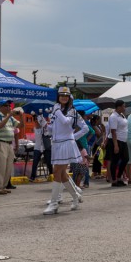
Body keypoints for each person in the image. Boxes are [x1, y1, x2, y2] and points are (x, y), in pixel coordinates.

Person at [43, 87, 89, 215]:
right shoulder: (56, 110)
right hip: (57, 144)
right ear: (58, 97)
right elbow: (51, 129)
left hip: (66, 144)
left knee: (57, 171)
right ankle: (75, 197)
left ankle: (54, 204)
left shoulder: (72, 111)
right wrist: (43, 123)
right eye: (61, 95)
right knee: (62, 174)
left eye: (66, 95)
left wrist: (72, 138)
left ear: (69, 98)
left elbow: (66, 123)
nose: (63, 97)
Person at [0, 100, 20, 195]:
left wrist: (21, 115)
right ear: (1, 107)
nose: (9, 108)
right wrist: (9, 115)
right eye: (6, 106)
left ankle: (3, 186)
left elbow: (21, 125)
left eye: (9, 106)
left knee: (8, 167)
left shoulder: (10, 118)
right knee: (1, 166)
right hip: (1, 143)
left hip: (9, 144)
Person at [107, 100, 129, 187]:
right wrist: (116, 145)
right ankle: (114, 180)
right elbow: (113, 131)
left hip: (123, 140)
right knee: (115, 160)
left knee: (126, 158)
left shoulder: (122, 115)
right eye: (123, 106)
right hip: (116, 140)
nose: (125, 108)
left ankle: (119, 177)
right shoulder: (113, 116)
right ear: (119, 107)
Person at [29, 110, 53, 182]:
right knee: (35, 162)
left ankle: (52, 174)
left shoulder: (47, 127)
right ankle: (32, 177)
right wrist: (35, 118)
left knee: (49, 162)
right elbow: (38, 128)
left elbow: (49, 134)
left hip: (47, 147)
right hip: (38, 147)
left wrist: (45, 127)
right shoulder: (37, 128)